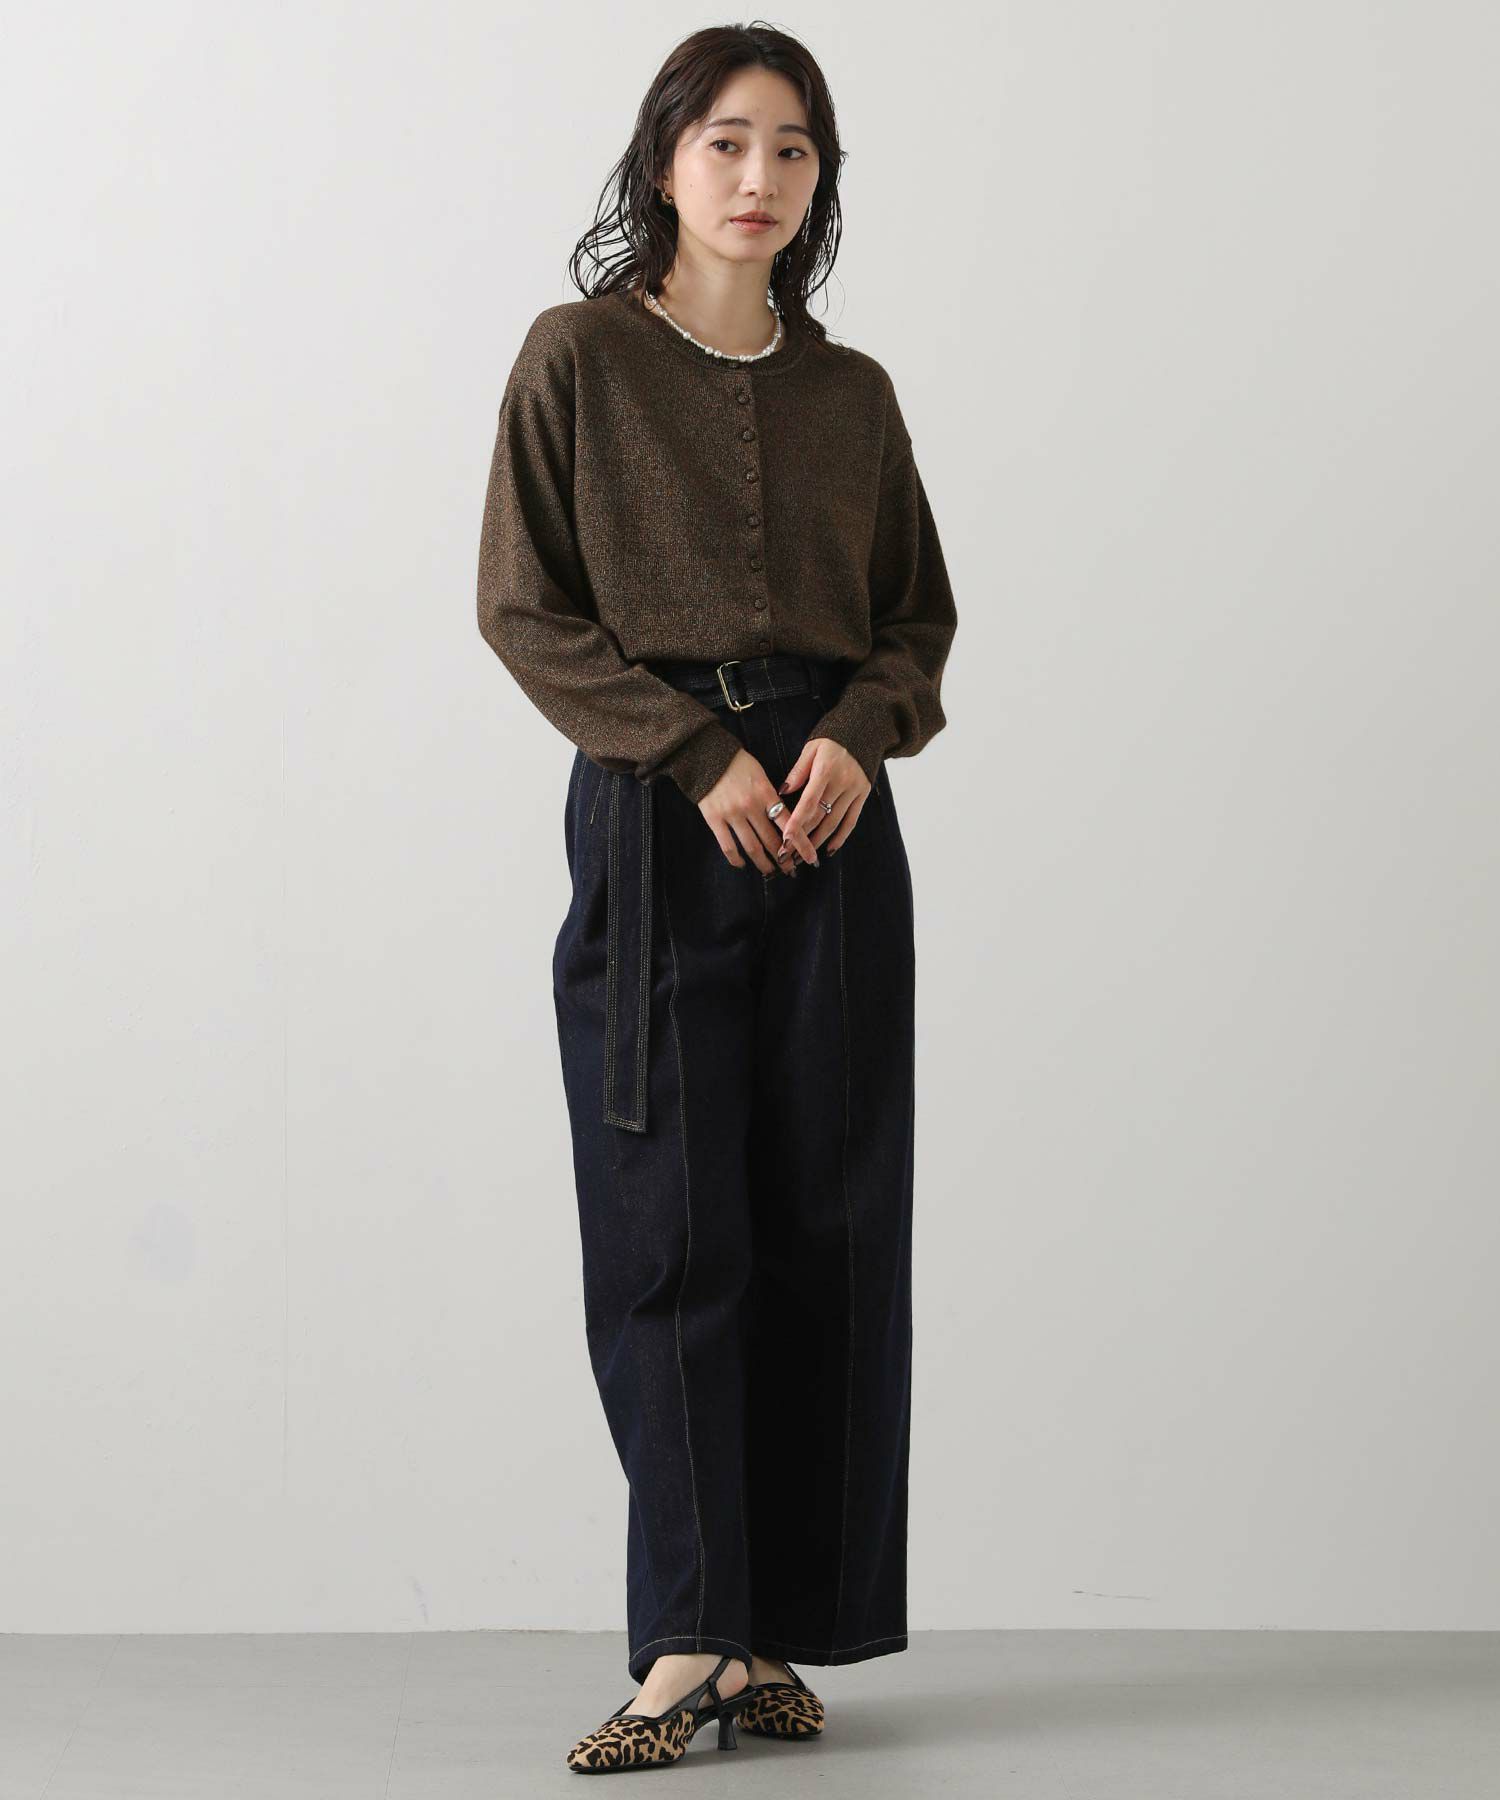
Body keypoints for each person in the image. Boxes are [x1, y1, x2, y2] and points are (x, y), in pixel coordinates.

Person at [476, 22, 958, 1775]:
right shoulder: (580, 358)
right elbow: (525, 607)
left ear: (821, 181)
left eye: (794, 150)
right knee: (671, 1226)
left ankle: (771, 1637)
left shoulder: (854, 396)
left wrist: (858, 737)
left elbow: (916, 621)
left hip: (830, 820)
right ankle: (685, 1636)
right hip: (661, 818)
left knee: (833, 1218)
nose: (761, 179)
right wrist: (694, 754)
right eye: (728, 143)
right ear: (664, 159)